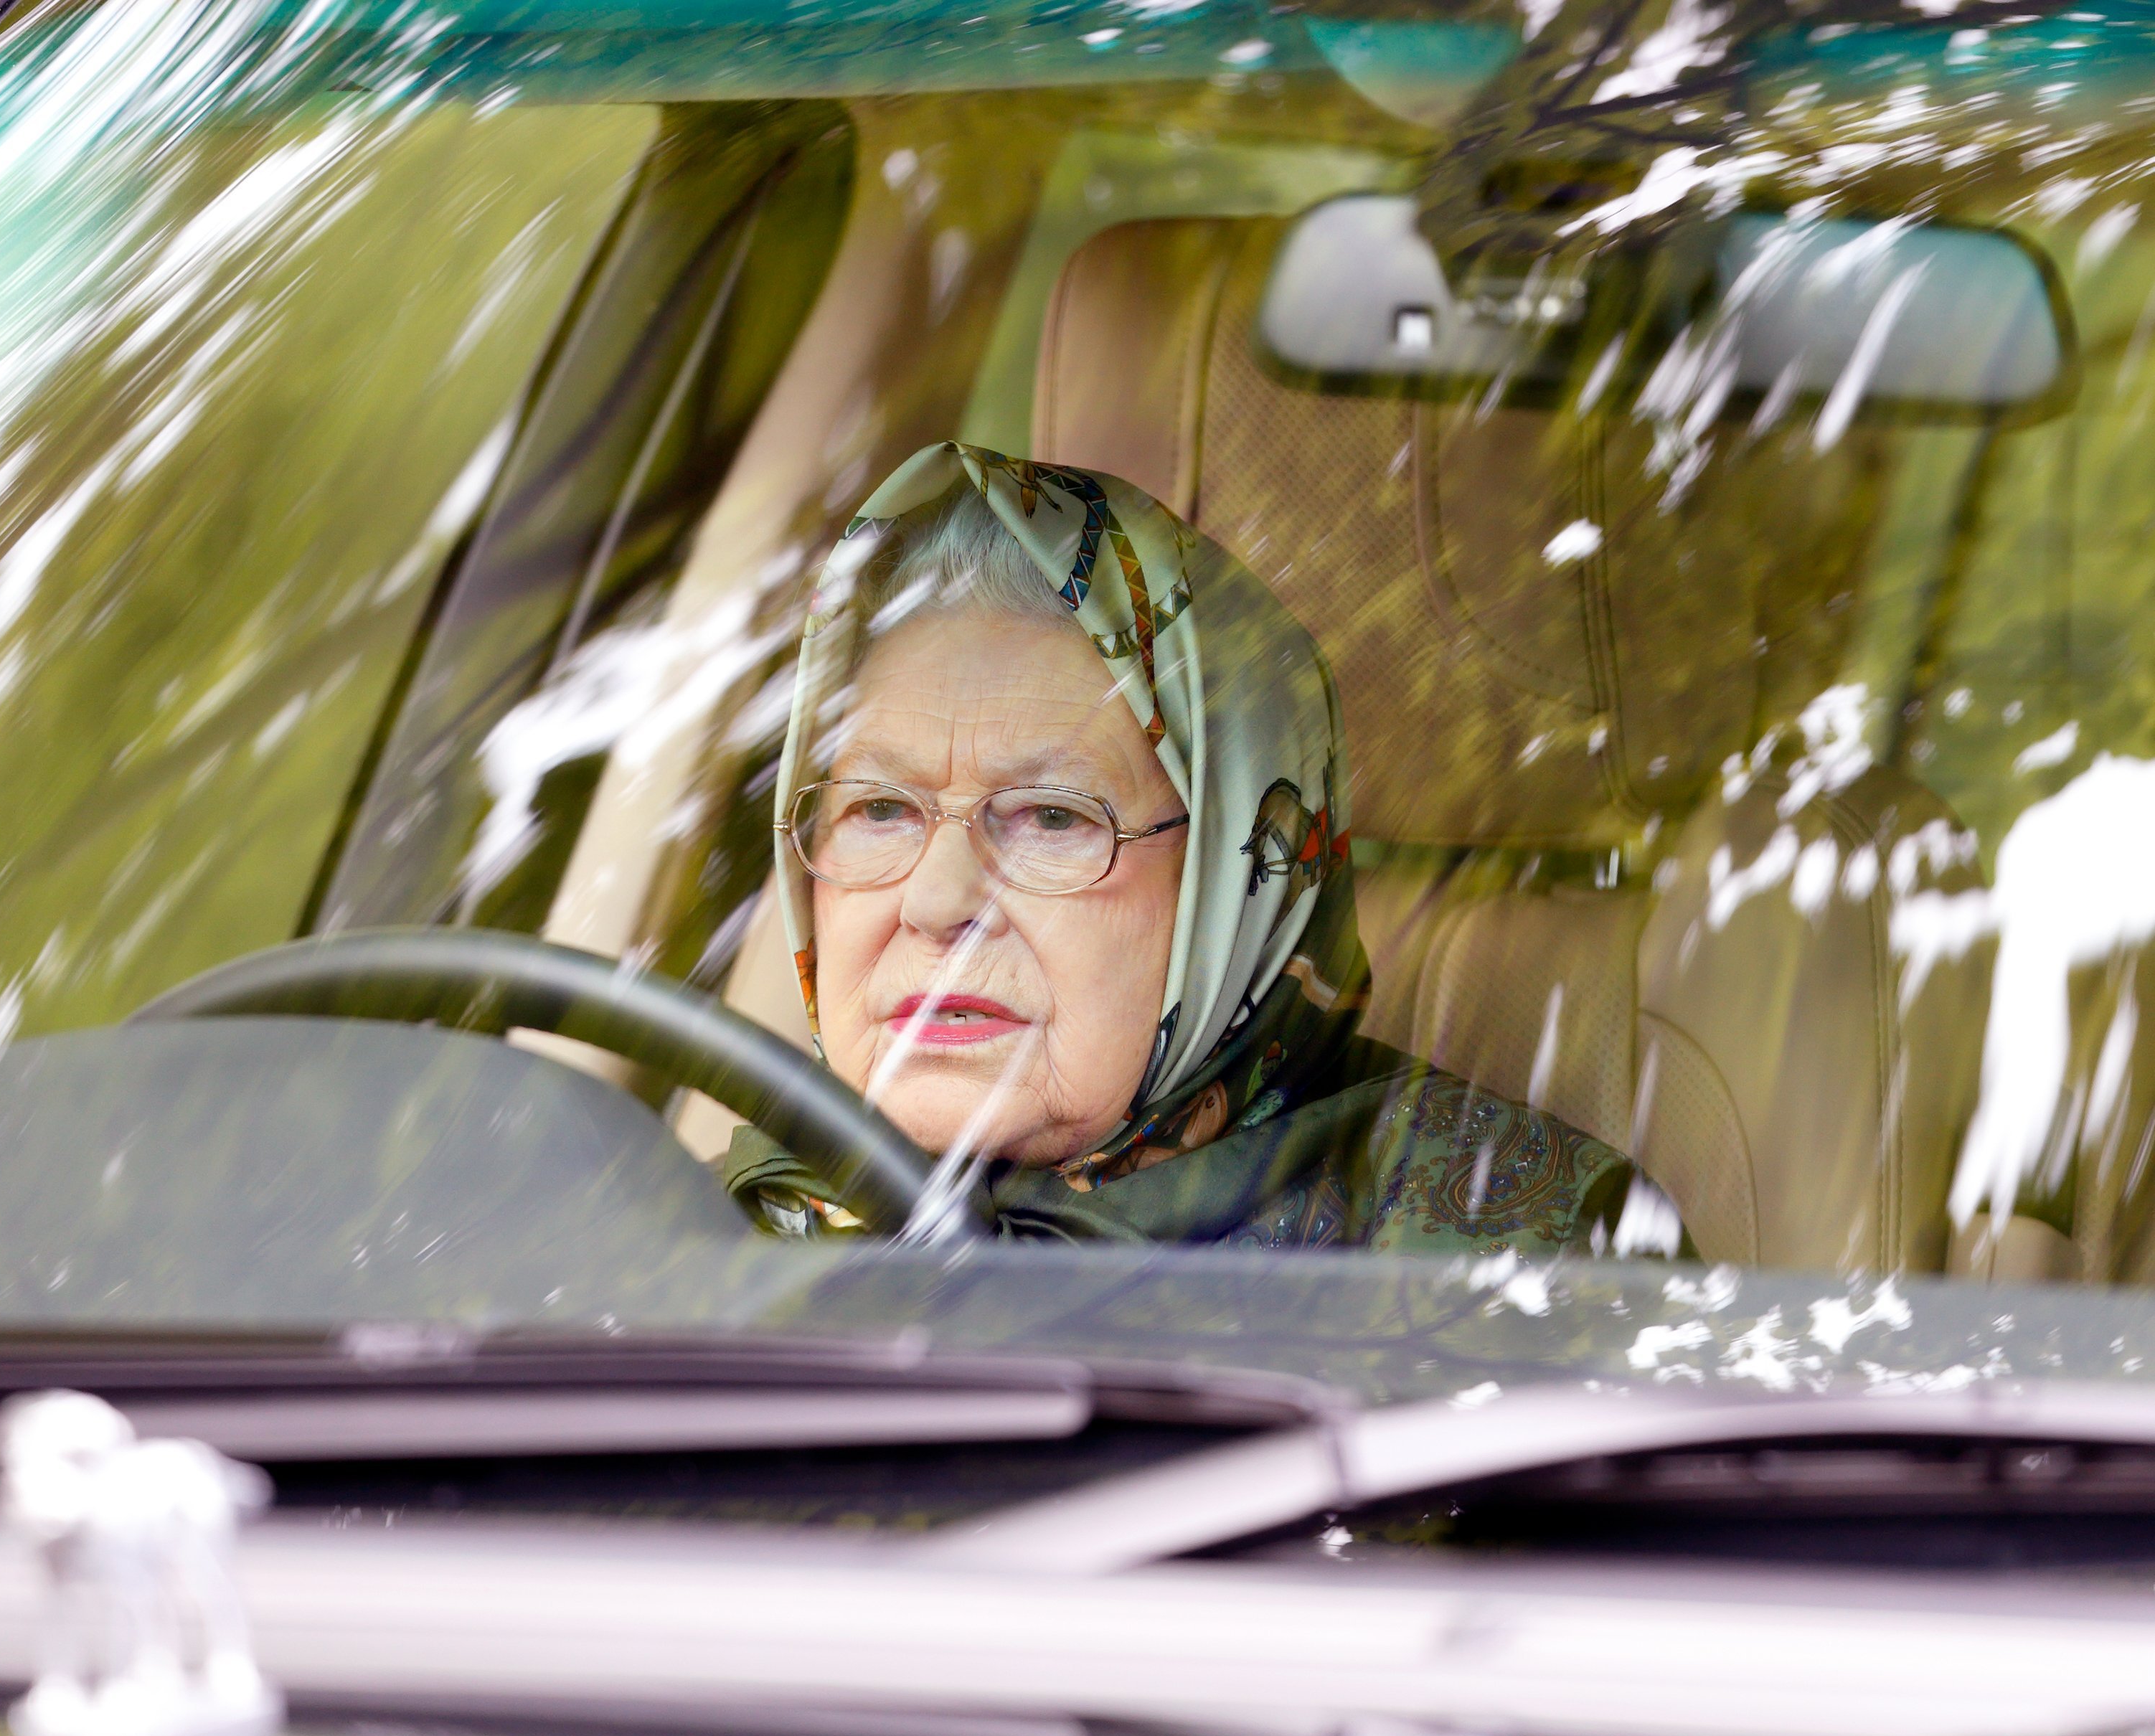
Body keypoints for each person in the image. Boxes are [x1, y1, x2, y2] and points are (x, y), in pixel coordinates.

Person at [722, 442, 1687, 1260]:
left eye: (1052, 818)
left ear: (1233, 894)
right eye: (881, 809)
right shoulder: (682, 1232)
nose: (934, 903)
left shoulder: (1532, 1257)